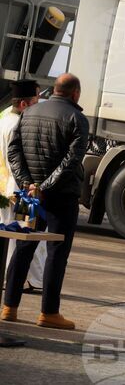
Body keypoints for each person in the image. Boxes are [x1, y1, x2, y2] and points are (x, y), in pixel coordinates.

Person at [2, 73, 88, 330]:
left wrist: (28, 182)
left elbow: (13, 151)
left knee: (22, 247)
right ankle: (49, 312)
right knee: (57, 253)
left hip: (27, 193)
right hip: (61, 196)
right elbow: (72, 161)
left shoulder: (28, 113)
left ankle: (9, 308)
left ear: (55, 90)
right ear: (75, 94)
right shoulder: (77, 118)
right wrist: (45, 186)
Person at [0, 80, 46, 293]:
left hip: (5, 189)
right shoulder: (17, 126)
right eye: (37, 98)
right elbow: (16, 162)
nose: (40, 101)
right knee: (25, 236)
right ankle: (30, 281)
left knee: (9, 237)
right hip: (19, 190)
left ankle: (12, 278)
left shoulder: (3, 119)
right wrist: (29, 191)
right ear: (25, 104)